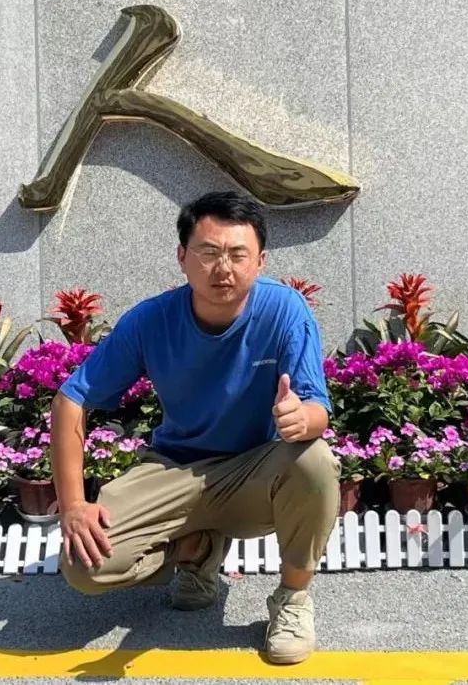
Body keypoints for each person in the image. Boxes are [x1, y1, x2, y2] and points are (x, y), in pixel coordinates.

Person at [50, 190, 339, 665]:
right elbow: (71, 400)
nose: (223, 268)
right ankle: (195, 549)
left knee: (315, 458)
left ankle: (292, 600)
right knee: (85, 567)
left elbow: (317, 409)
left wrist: (300, 417)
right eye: (208, 252)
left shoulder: (285, 310)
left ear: (260, 261)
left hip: (252, 473)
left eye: (237, 254)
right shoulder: (151, 320)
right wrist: (74, 505)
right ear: (182, 257)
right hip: (174, 468)